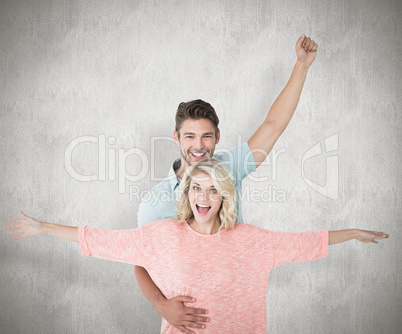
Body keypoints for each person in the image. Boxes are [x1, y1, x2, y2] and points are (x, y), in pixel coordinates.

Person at [5, 159, 389, 334]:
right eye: (196, 188)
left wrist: (354, 232)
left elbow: (308, 243)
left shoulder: (251, 240)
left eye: (213, 190)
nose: (204, 197)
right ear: (187, 194)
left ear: (224, 197)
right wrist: (45, 228)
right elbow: (100, 239)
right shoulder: (162, 235)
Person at [136, 34, 319, 332]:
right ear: (176, 138)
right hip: (190, 324)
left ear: (217, 138)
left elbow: (273, 126)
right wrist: (161, 305)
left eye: (206, 136)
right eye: (189, 137)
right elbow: (141, 261)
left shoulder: (229, 167)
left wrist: (301, 65)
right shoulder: (154, 203)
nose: (199, 146)